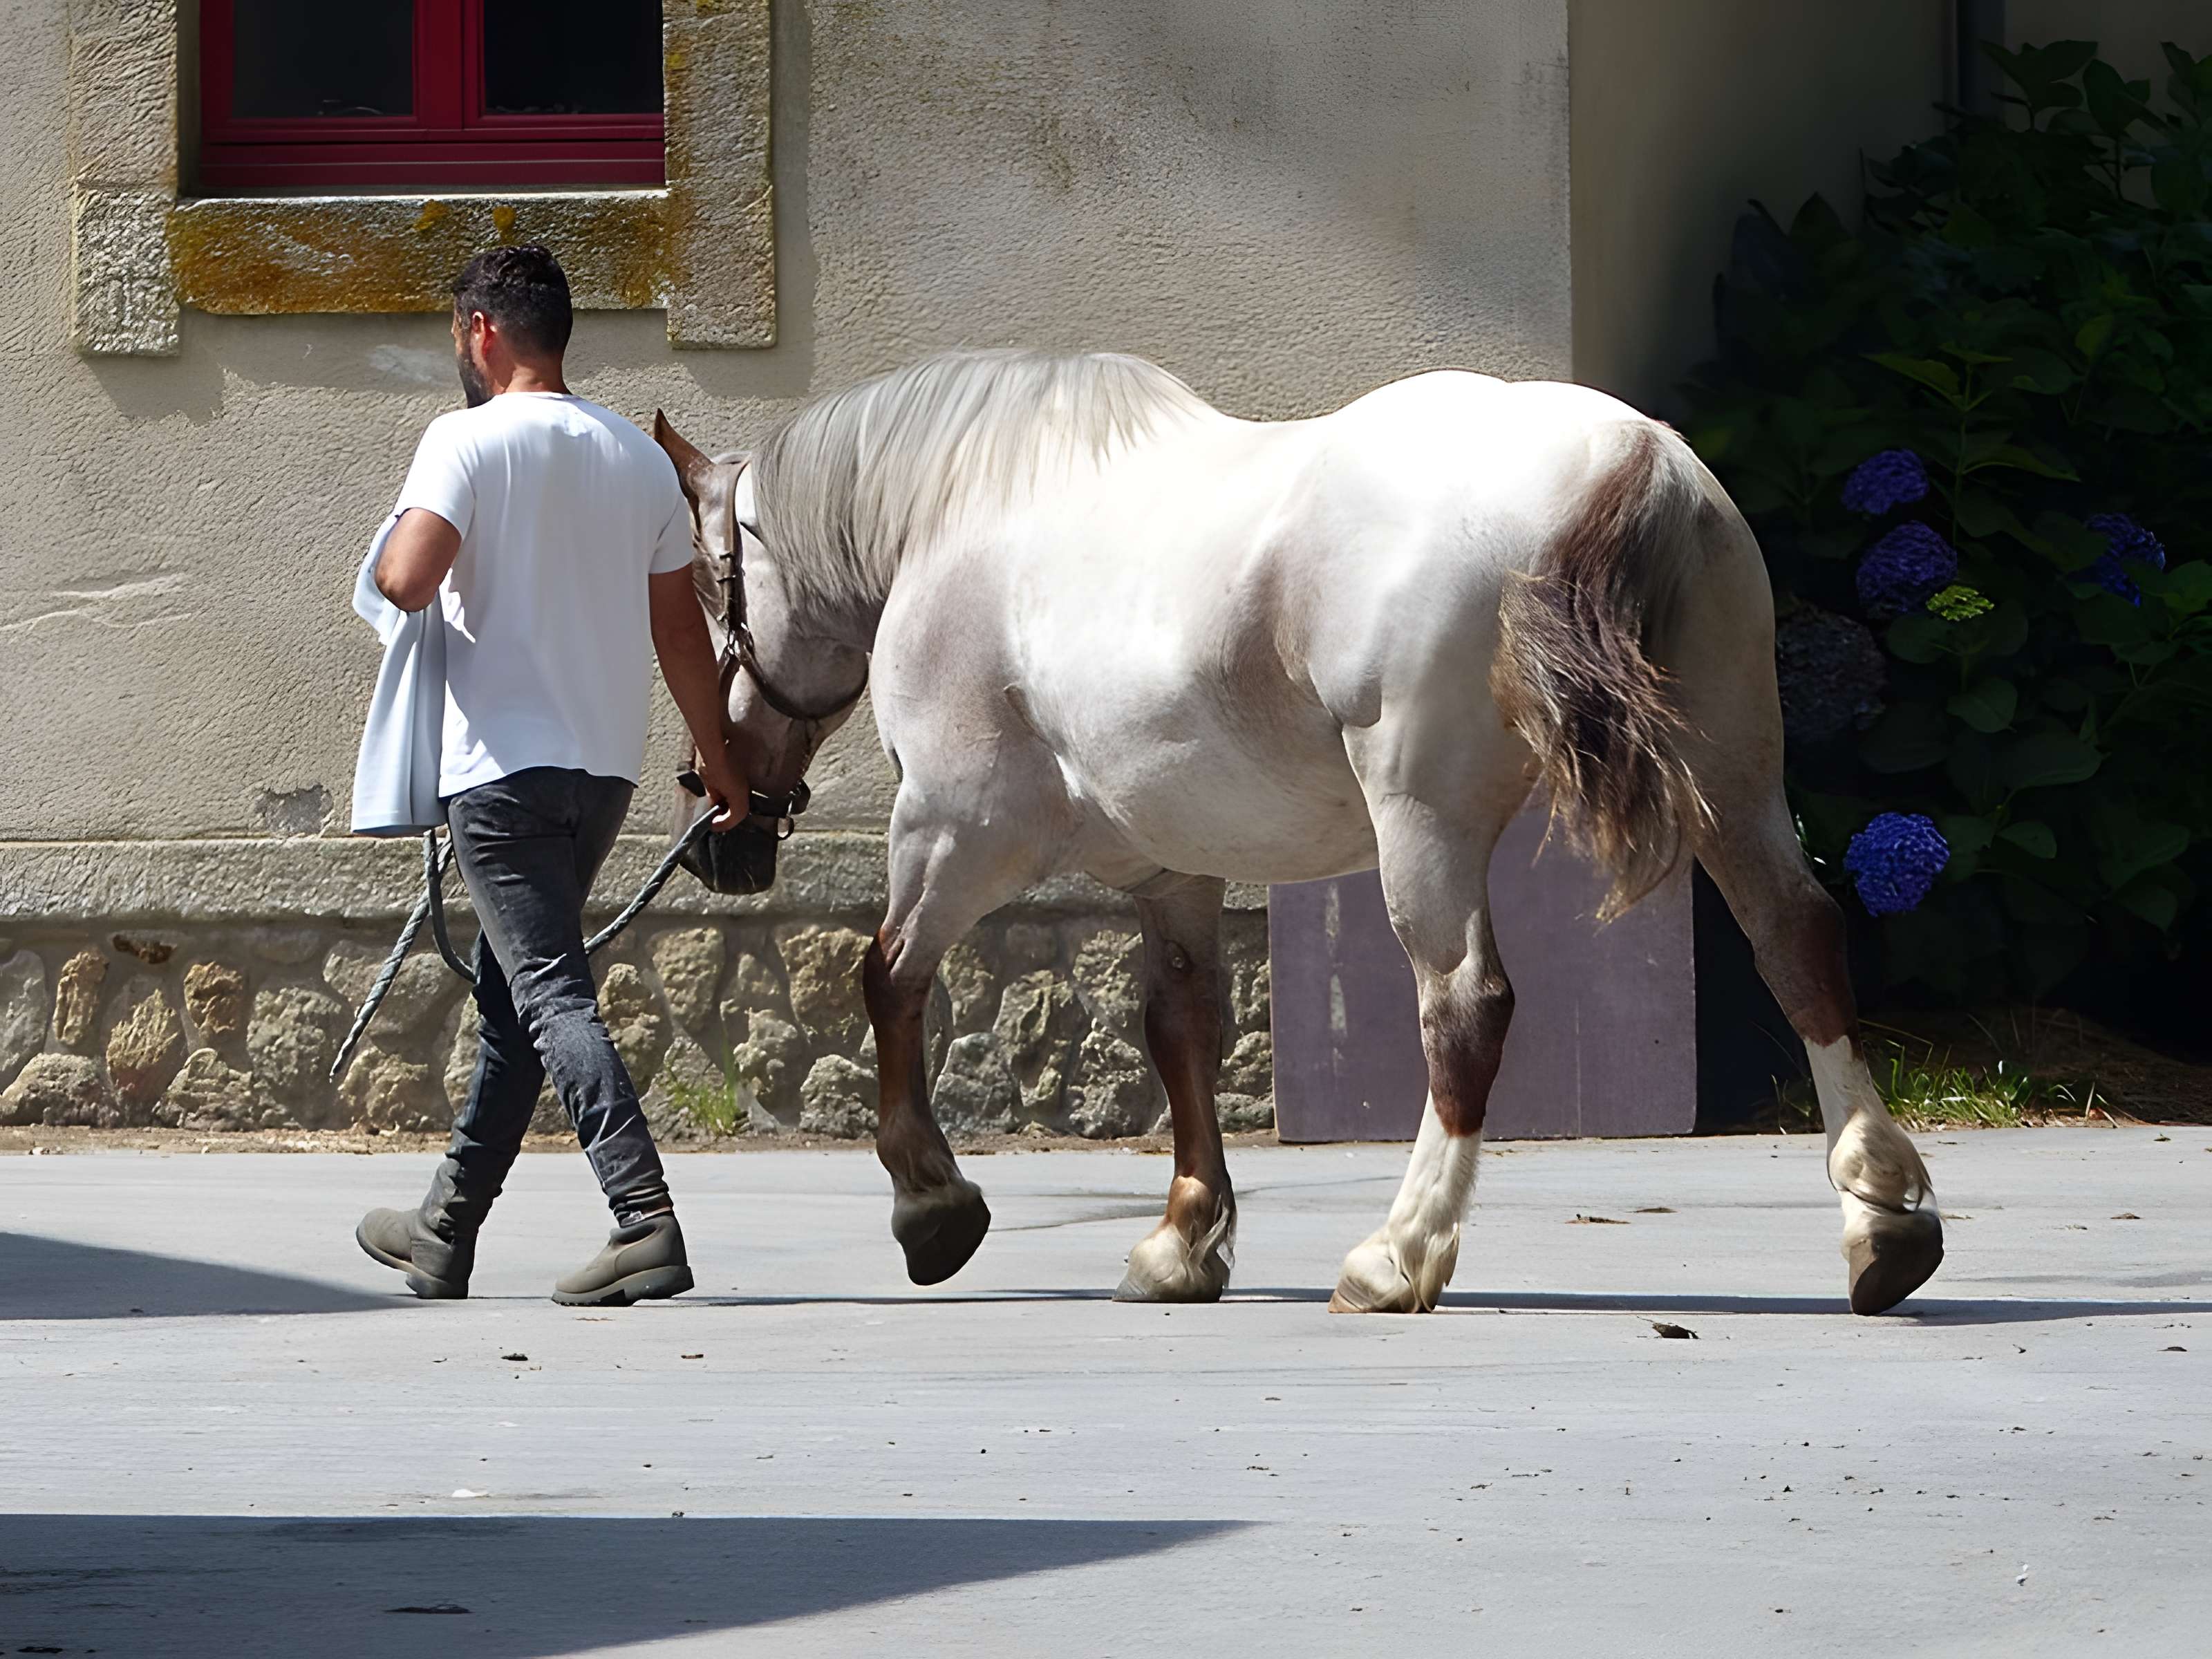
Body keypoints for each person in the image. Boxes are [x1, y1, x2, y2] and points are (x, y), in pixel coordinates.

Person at [354, 244, 749, 1306]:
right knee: (512, 999)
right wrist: (720, 764)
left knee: (547, 993)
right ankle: (443, 1231)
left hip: (501, 771)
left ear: (481, 332)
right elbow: (679, 632)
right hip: (601, 774)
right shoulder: (634, 458)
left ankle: (643, 1216)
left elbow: (406, 578)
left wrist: (401, 537)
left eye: (458, 337)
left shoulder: (464, 440)